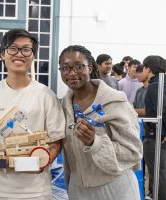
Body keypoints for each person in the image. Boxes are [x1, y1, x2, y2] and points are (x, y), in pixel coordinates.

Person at [0, 29, 65, 200]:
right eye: (13, 48)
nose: (19, 54)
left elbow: (56, 143)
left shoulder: (47, 95)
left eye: (26, 49)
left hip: (35, 192)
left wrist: (37, 162)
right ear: (2, 54)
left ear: (33, 55)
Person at [59, 45, 142, 200]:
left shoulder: (114, 102)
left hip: (114, 188)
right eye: (65, 68)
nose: (71, 73)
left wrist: (94, 142)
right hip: (78, 189)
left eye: (78, 67)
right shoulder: (64, 106)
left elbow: (133, 152)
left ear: (90, 67)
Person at [142, 55, 166, 200]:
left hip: (157, 138)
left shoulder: (155, 87)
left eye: (143, 68)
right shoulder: (160, 84)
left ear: (148, 69)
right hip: (157, 137)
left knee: (159, 174)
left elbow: (163, 110)